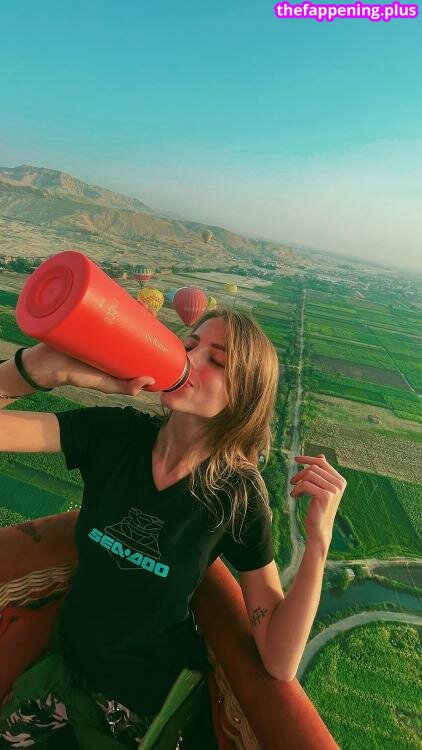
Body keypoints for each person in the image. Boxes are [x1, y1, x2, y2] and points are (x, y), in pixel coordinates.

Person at [0, 307, 280, 749]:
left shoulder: (236, 497)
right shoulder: (116, 435)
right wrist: (35, 369)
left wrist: (318, 541)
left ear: (244, 398)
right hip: (65, 673)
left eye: (216, 360)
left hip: (141, 706)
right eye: (188, 346)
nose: (190, 360)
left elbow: (278, 657)